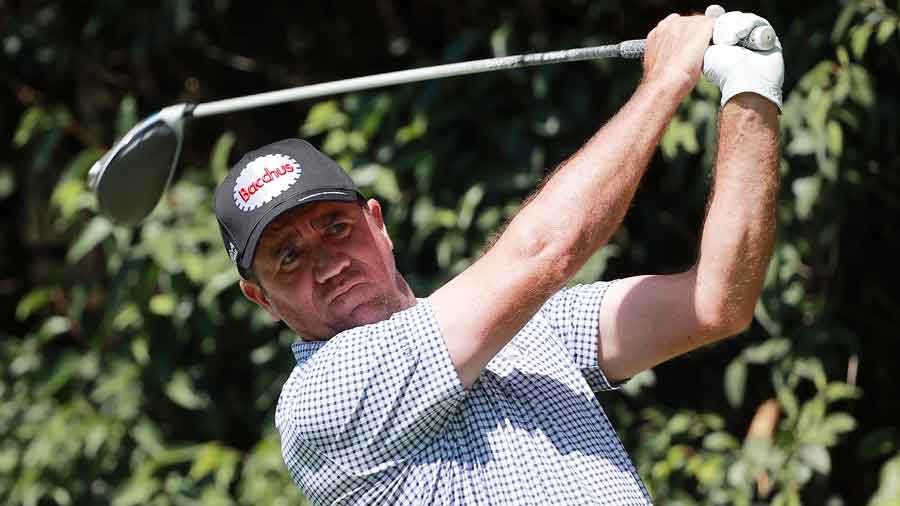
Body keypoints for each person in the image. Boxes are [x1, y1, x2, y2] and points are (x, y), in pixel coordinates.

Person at [213, 9, 783, 505]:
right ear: (261, 299)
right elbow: (542, 252)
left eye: (335, 228)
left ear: (377, 225)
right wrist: (667, 80)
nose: (327, 263)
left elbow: (714, 303)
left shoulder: (527, 325)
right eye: (289, 257)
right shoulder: (320, 400)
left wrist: (751, 95)